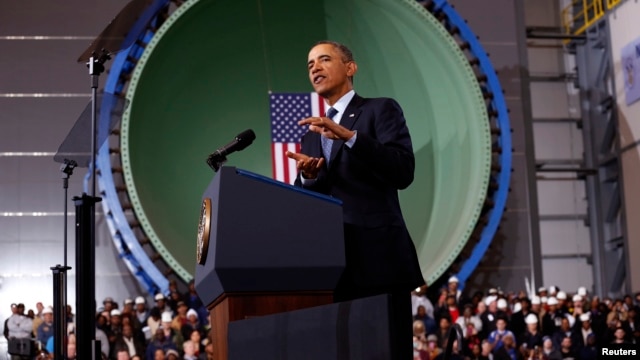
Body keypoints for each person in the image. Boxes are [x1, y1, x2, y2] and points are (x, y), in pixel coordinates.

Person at [287, 39, 424, 359]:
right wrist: (307, 177)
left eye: (324, 60)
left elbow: (403, 171)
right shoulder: (312, 133)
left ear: (350, 68)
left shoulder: (380, 109)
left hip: (380, 260)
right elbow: (310, 200)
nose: (315, 68)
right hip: (331, 265)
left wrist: (350, 137)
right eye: (310, 65)